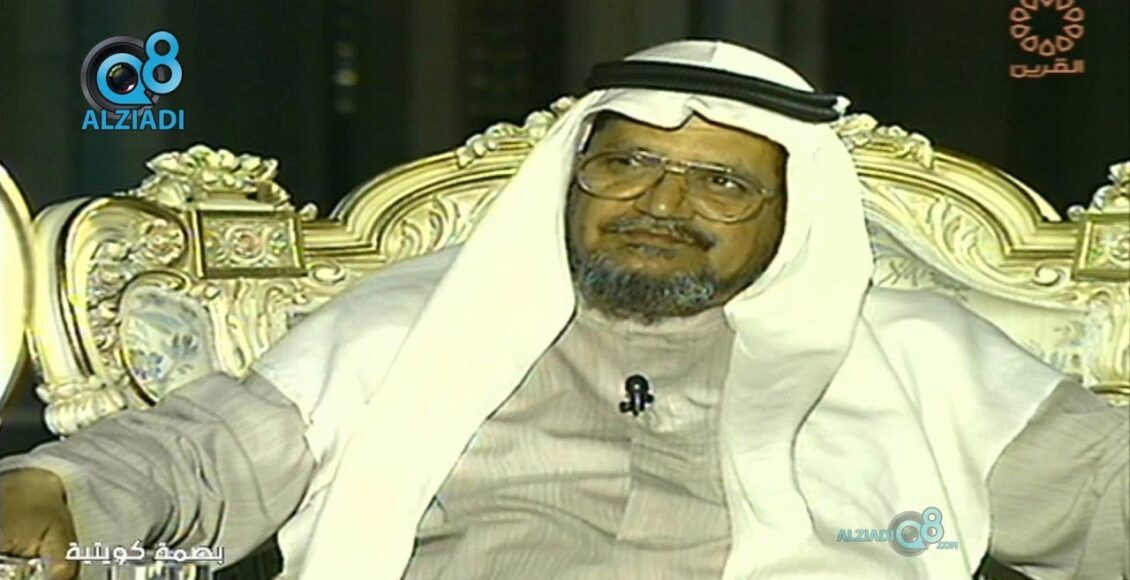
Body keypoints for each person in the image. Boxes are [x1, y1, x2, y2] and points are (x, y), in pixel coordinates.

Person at [1, 40, 1127, 580]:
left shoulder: (916, 355)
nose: (661, 205)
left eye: (722, 183)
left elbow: (1098, 488)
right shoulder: (408, 324)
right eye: (626, 164)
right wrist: (57, 490)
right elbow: (197, 458)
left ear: (791, 214)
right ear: (572, 176)